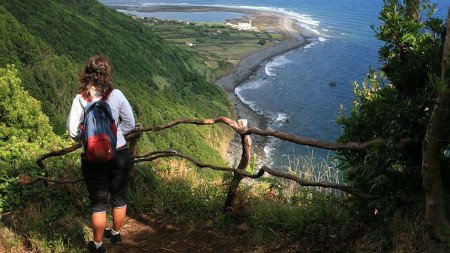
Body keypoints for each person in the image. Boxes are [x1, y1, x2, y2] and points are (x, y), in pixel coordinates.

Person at [67, 55, 135, 253]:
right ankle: (115, 234)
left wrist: (90, 140)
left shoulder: (81, 98)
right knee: (119, 197)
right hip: (119, 152)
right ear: (108, 74)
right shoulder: (117, 95)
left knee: (98, 202)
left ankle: (97, 245)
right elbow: (130, 123)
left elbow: (73, 132)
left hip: (93, 158)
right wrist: (115, 135)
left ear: (87, 74)